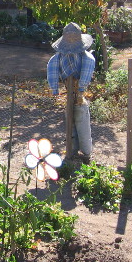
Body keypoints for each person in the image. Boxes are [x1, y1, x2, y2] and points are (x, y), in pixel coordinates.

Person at [47, 22, 95, 162]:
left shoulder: (57, 58)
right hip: (77, 96)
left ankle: (73, 150)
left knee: (72, 122)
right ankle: (84, 152)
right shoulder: (86, 57)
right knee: (81, 122)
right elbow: (86, 71)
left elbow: (52, 70)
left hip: (69, 93)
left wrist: (55, 89)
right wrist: (81, 88)